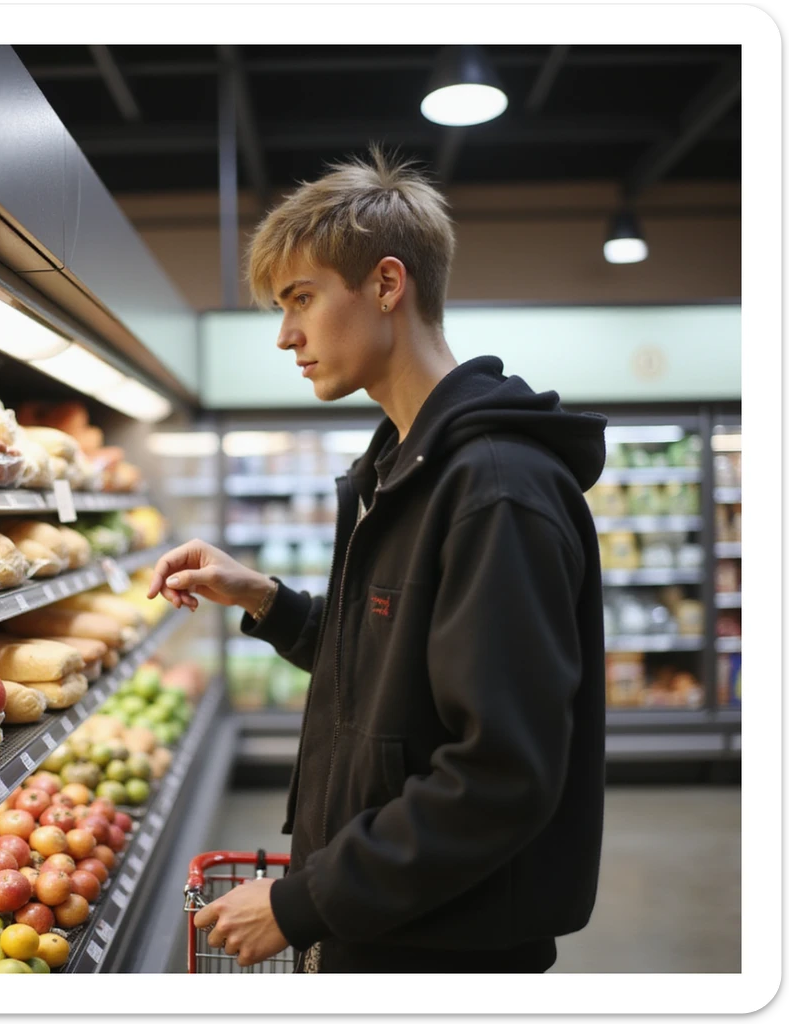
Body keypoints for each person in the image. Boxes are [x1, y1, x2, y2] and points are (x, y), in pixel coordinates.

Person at [147, 149, 608, 974]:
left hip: (449, 947)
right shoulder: (399, 467)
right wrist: (266, 599)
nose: (287, 335)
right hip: (390, 913)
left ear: (387, 285)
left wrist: (302, 902)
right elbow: (399, 671)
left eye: (301, 299)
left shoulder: (494, 488)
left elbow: (500, 772)